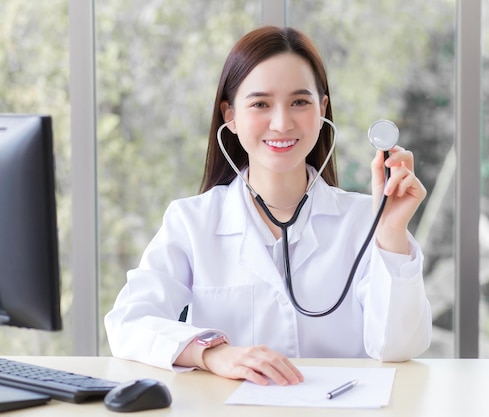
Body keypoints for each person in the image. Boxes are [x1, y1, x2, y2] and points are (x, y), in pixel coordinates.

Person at [104, 26, 431, 387]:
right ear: (230, 115)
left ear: (322, 110)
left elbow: (399, 347)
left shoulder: (362, 221)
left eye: (300, 102)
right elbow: (128, 323)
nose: (281, 123)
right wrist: (214, 353)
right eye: (260, 104)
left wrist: (390, 232)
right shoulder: (192, 222)